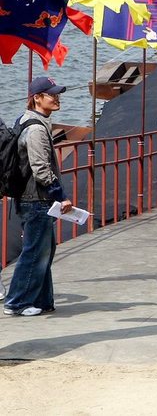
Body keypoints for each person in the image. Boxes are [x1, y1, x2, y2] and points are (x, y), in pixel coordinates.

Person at [3, 77, 74, 317]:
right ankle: (17, 302)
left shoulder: (28, 121)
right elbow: (41, 168)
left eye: (57, 94)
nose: (56, 98)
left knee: (45, 250)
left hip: (32, 198)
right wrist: (60, 195)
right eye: (51, 94)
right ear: (37, 97)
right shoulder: (35, 129)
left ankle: (43, 300)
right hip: (37, 199)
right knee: (35, 251)